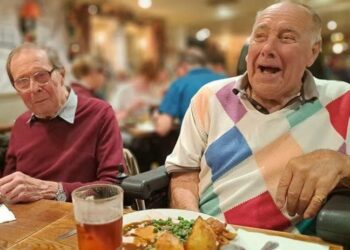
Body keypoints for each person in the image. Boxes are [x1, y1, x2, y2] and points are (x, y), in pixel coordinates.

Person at [165, 1, 350, 233]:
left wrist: (343, 165)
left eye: (287, 38)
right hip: (214, 236)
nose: (267, 48)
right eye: (259, 37)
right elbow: (184, 172)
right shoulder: (209, 96)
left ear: (313, 52)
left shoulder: (344, 99)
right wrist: (195, 230)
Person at [0, 43, 125, 203]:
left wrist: (55, 190)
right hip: (30, 223)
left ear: (61, 74)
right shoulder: (21, 124)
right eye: (22, 82)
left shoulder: (99, 113)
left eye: (41, 75)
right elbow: (7, 190)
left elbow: (114, 186)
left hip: (81, 219)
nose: (33, 88)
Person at [155, 47, 226, 137]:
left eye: (176, 69)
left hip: (197, 147)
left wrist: (157, 118)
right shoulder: (225, 80)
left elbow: (163, 128)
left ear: (183, 66)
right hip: (230, 144)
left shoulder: (179, 84)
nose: (176, 74)